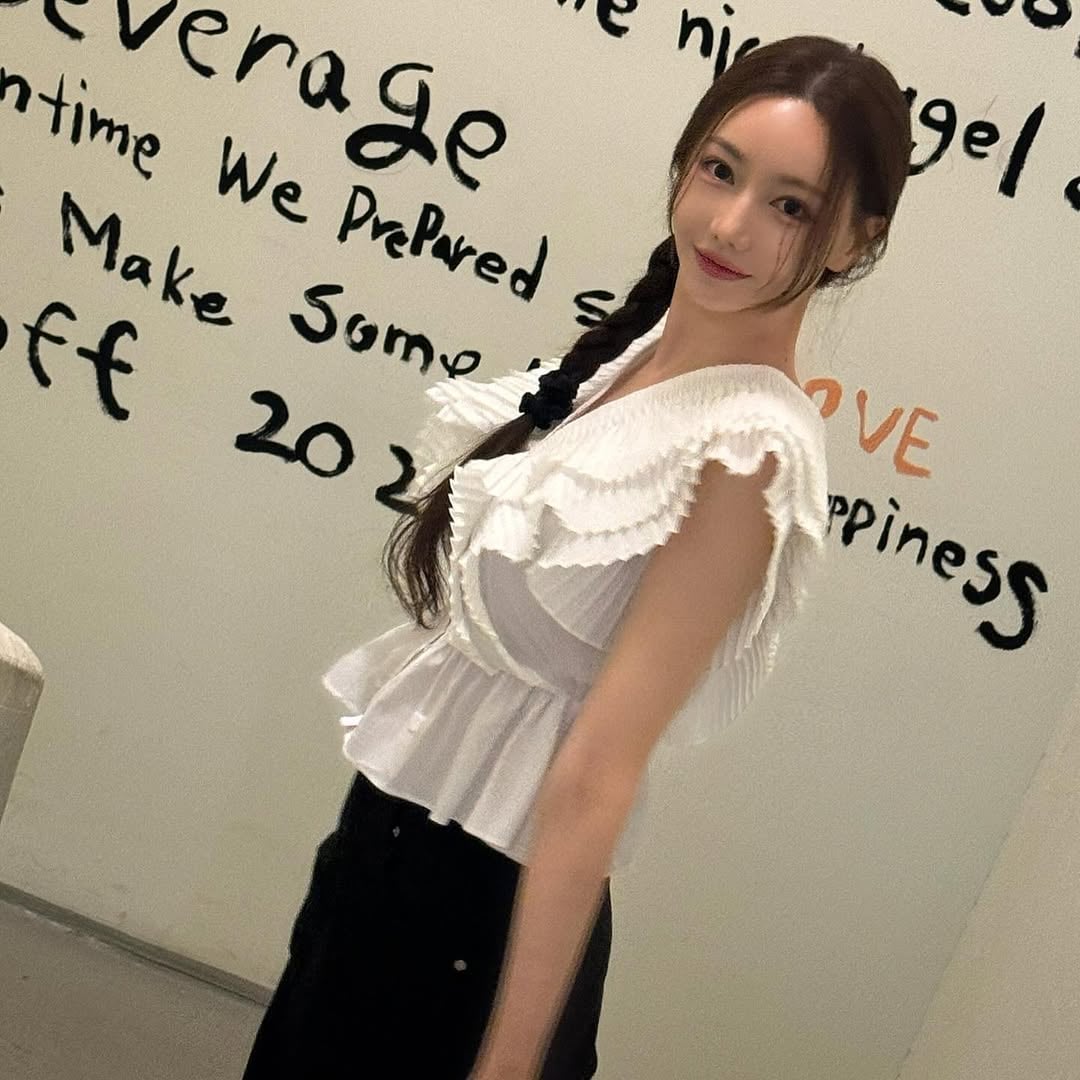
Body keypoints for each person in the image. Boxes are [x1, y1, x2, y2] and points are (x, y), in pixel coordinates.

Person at [242, 33, 912, 1080]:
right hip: (385, 860)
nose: (729, 224)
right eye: (720, 170)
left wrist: (509, 1063)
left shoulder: (746, 448)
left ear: (854, 242)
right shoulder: (633, 360)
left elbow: (599, 771)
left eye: (791, 206)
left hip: (483, 926)